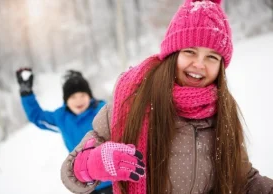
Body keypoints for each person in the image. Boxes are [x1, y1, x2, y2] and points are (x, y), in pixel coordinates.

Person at [60, 0, 273, 193]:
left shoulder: (224, 112)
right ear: (173, 54)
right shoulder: (133, 101)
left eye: (212, 57)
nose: (199, 64)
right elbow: (71, 171)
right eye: (190, 51)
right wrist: (93, 163)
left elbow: (242, 179)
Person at [15, 68, 112, 194]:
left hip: (112, 177)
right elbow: (38, 117)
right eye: (73, 97)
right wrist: (26, 94)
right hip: (86, 184)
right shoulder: (62, 117)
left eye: (82, 95)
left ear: (90, 96)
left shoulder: (102, 110)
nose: (79, 100)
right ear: (66, 100)